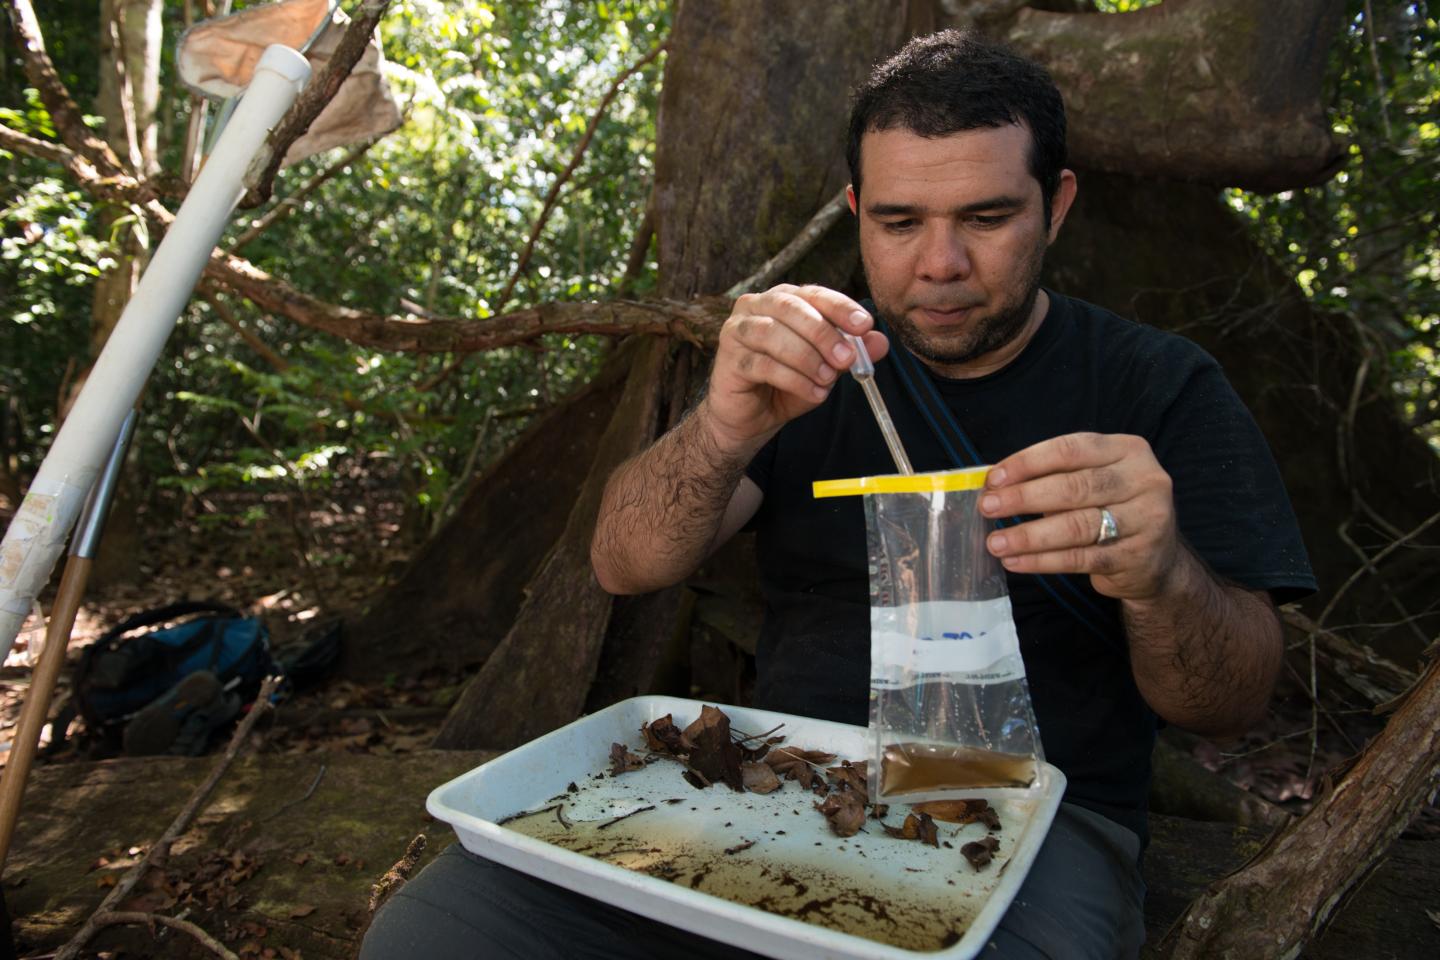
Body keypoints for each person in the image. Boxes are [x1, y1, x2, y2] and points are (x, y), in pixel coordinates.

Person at [361, 30, 1315, 960]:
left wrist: (1161, 576)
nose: (939, 264)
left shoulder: (1158, 388)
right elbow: (623, 562)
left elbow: (1231, 702)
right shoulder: (811, 364)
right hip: (773, 786)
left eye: (986, 219)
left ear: (1055, 205)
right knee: (433, 934)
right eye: (899, 223)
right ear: (856, 210)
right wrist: (724, 427)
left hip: (1035, 819)